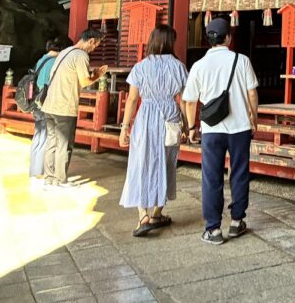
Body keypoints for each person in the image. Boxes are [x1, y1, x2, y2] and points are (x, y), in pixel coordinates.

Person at [182, 17, 259, 245]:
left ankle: (213, 229)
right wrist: (254, 118)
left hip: (212, 129)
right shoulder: (241, 60)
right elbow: (252, 93)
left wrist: (192, 127)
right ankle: (237, 221)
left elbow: (189, 101)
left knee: (211, 177)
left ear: (209, 40)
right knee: (239, 172)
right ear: (228, 37)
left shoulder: (199, 65)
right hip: (240, 127)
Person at [118, 25, 189, 237]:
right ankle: (158, 212)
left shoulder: (140, 67)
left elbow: (132, 99)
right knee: (167, 163)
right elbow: (184, 101)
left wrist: (124, 127)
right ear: (170, 42)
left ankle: (143, 216)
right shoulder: (178, 66)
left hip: (145, 116)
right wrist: (188, 125)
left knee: (141, 162)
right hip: (170, 116)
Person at [40, 28, 108, 188]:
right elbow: (84, 81)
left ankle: (49, 177)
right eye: (96, 45)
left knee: (52, 142)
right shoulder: (81, 55)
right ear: (91, 41)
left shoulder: (65, 52)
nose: (94, 48)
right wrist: (97, 75)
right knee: (64, 143)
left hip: (49, 104)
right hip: (64, 106)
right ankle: (61, 179)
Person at [29, 36, 72, 186]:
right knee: (49, 138)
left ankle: (35, 170)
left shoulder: (42, 59)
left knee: (39, 135)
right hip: (47, 102)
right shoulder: (55, 62)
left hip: (36, 101)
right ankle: (43, 172)